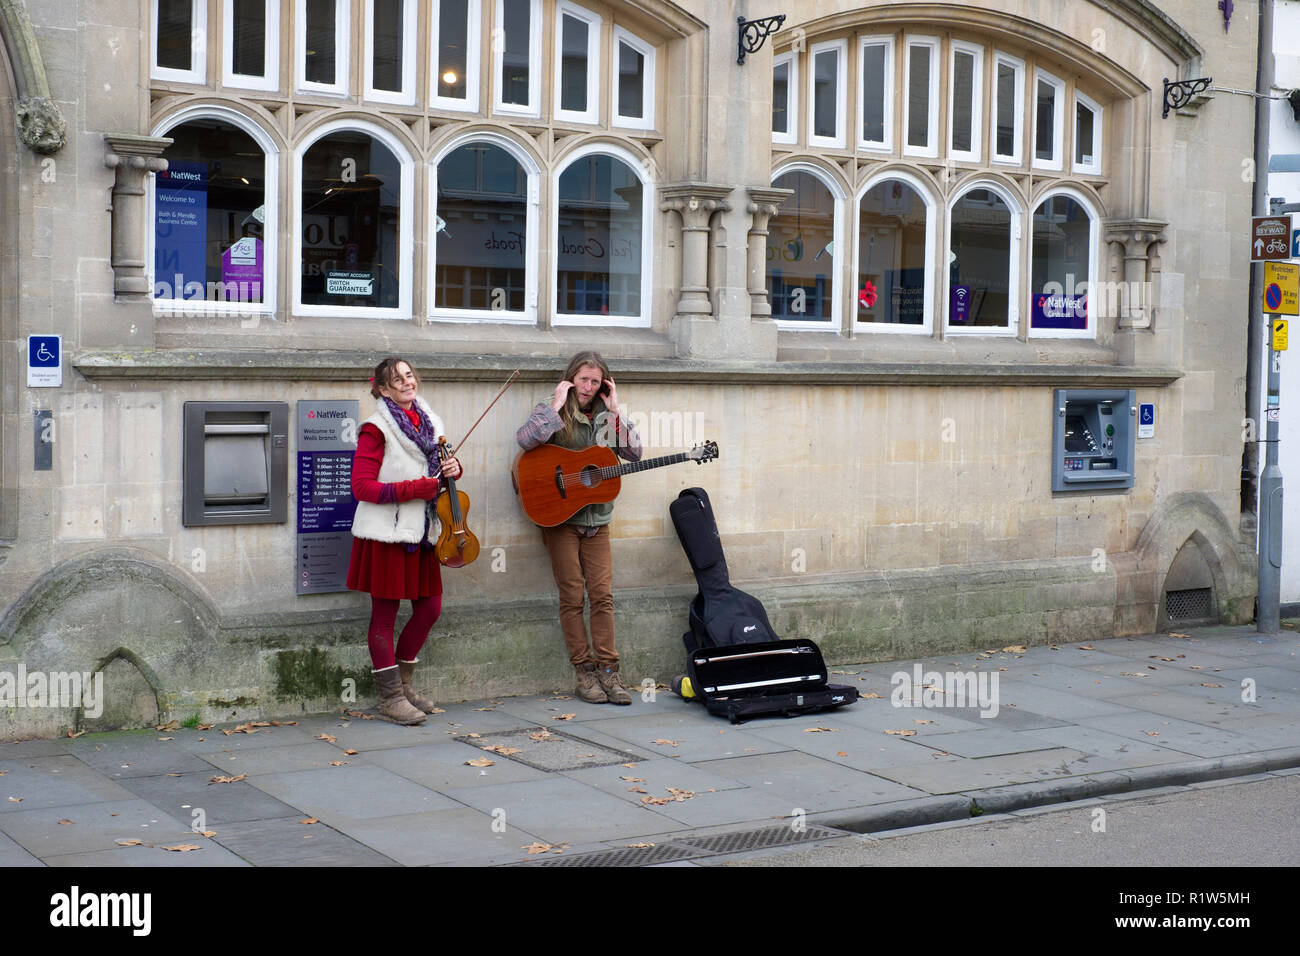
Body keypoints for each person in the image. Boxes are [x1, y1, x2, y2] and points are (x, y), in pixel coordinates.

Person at [516, 351, 642, 705]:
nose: (588, 387)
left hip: (597, 518)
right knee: (572, 596)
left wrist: (616, 412)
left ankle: (609, 672)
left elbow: (635, 453)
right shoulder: (553, 407)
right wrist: (556, 405)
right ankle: (583, 673)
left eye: (595, 382)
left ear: (604, 384)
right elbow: (526, 441)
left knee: (602, 596)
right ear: (571, 378)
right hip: (561, 519)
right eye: (583, 380)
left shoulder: (606, 415)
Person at [348, 357, 462, 725]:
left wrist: (453, 470)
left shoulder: (431, 423)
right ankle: (391, 698)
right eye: (396, 380)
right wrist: (416, 489)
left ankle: (403, 685)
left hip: (424, 532)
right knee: (384, 616)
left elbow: (438, 473)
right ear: (382, 389)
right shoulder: (375, 429)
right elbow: (361, 487)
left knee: (430, 608)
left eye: (409, 375)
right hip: (388, 533)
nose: (406, 382)